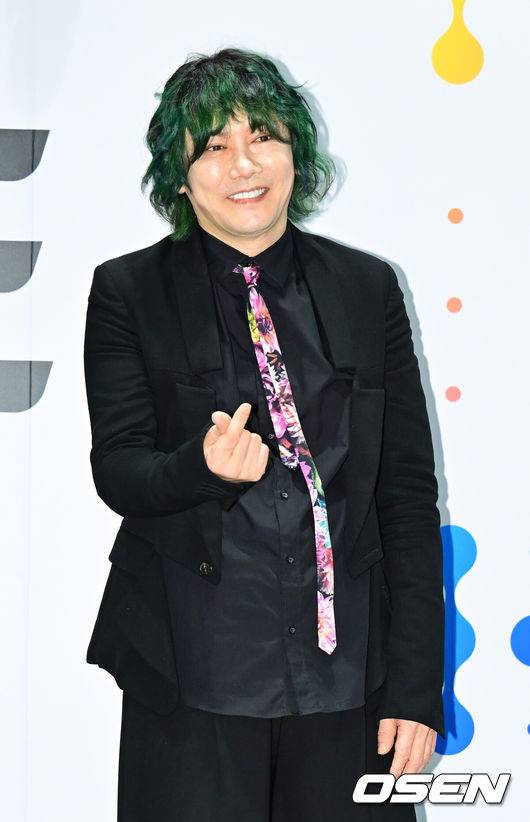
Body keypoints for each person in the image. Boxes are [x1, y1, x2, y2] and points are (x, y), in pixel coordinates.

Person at [84, 47, 445, 821]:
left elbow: (408, 496)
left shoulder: (366, 288)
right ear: (180, 176)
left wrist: (416, 688)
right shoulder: (128, 291)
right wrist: (201, 467)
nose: (243, 164)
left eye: (262, 137)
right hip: (194, 681)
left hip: (349, 684)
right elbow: (118, 467)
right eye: (213, 146)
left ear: (295, 152)